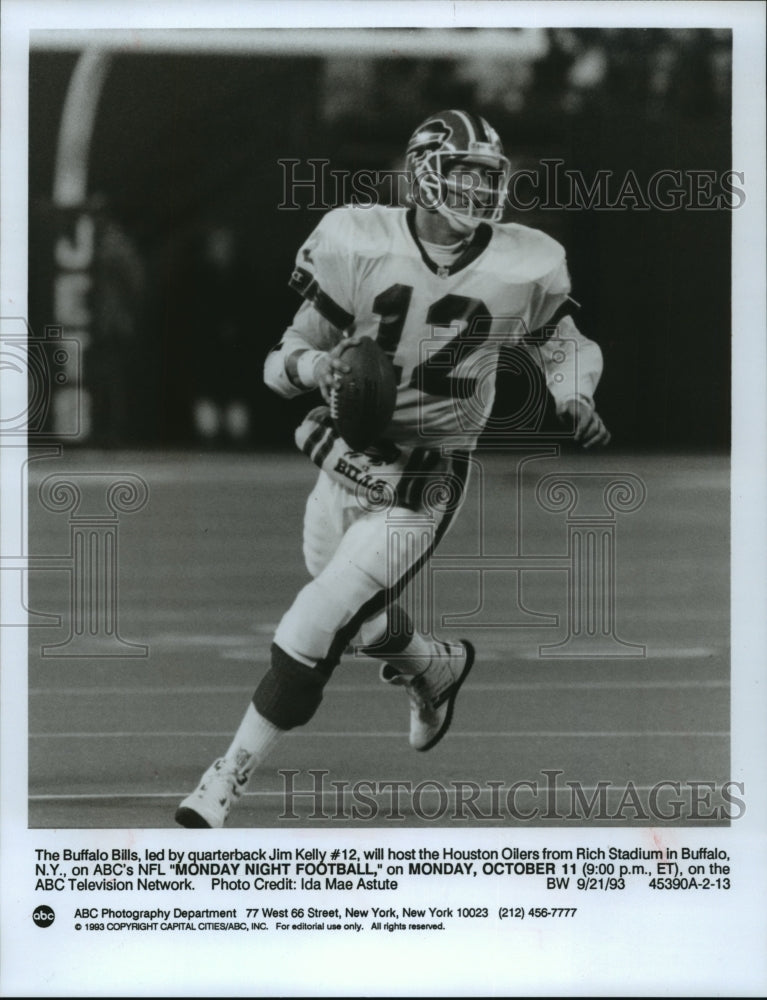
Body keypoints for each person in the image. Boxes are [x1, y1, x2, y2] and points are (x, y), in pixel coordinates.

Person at [175, 109, 610, 828]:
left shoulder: (525, 258)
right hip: (349, 459)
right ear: (421, 173)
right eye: (462, 173)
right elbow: (280, 360)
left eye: (486, 177)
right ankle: (432, 667)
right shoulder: (357, 237)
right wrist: (323, 369)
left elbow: (565, 341)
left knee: (315, 619)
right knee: (352, 610)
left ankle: (227, 776)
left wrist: (573, 393)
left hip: (427, 476)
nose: (476, 191)